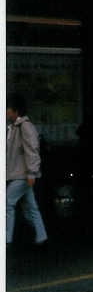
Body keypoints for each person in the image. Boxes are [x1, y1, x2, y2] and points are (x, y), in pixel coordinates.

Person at [7, 94, 48, 246]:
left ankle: (6, 238)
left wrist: (31, 173)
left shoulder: (24, 126)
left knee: (6, 203)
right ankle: (41, 235)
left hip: (22, 175)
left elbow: (32, 150)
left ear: (15, 111)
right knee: (31, 206)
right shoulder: (15, 127)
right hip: (22, 174)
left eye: (8, 110)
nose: (6, 113)